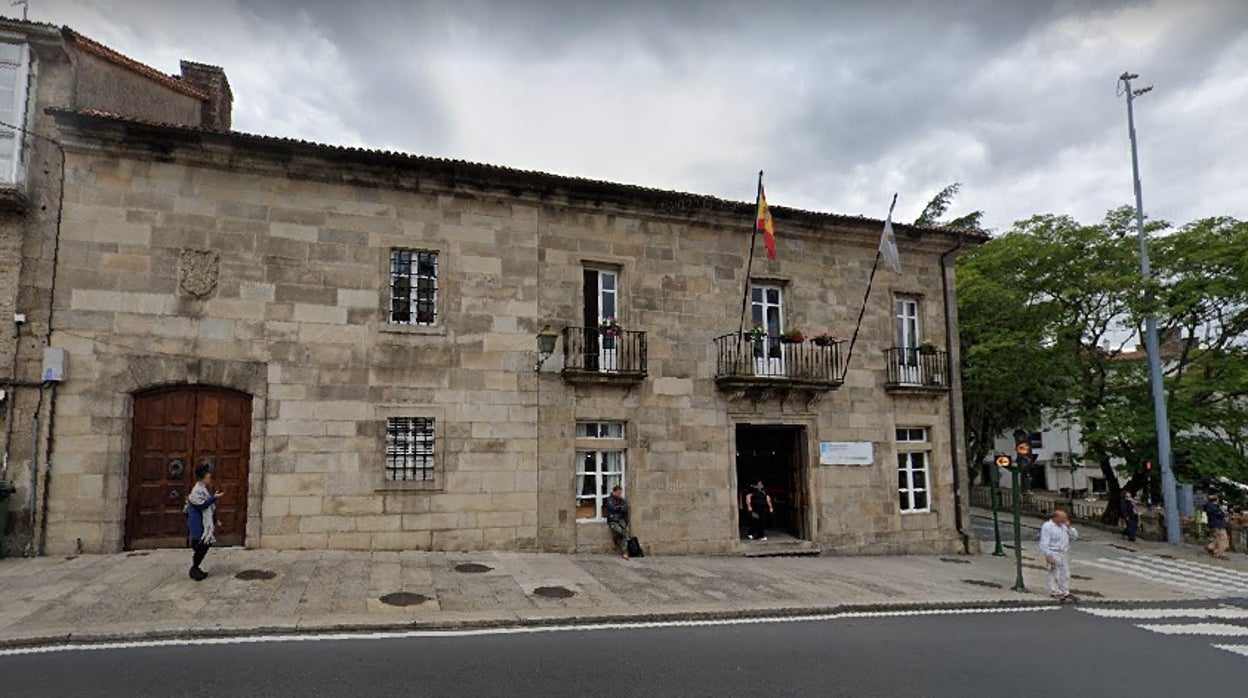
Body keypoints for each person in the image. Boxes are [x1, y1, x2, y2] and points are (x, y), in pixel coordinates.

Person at [185, 463, 222, 581]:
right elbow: (202, 505)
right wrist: (214, 497)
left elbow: (211, 508)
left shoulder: (205, 490)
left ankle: (196, 568)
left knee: (205, 545)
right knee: (200, 545)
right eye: (208, 477)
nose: (209, 479)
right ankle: (194, 569)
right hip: (197, 523)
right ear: (203, 478)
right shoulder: (197, 491)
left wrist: (216, 520)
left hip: (204, 524)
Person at [1038, 509, 1079, 602]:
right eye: (1063, 518)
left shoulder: (1064, 526)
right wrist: (1048, 555)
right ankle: (1054, 591)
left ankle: (1065, 591)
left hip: (1063, 552)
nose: (1065, 519)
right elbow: (1044, 542)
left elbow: (1075, 537)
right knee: (1054, 572)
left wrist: (1069, 528)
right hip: (1053, 551)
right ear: (1056, 517)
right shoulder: (1047, 526)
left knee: (1065, 573)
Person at [604, 485, 631, 560]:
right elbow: (612, 507)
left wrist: (619, 508)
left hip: (621, 519)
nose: (619, 494)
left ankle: (625, 552)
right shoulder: (610, 499)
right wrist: (619, 508)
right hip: (613, 519)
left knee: (625, 533)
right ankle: (615, 539)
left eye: (620, 493)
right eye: (618, 493)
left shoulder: (622, 500)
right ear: (614, 492)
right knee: (619, 531)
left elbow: (625, 508)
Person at [1204, 494, 1230, 560]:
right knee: (1223, 538)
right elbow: (1219, 514)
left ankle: (1210, 547)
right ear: (1216, 500)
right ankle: (1219, 553)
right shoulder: (1214, 507)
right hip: (1218, 524)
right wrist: (1224, 513)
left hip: (1214, 524)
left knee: (1218, 538)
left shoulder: (1209, 506)